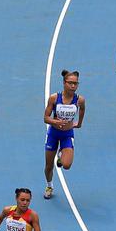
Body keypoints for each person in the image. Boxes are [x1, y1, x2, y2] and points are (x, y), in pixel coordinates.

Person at [43, 70, 85, 199]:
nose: (73, 86)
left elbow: (83, 109)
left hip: (67, 134)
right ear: (64, 83)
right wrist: (56, 121)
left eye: (75, 83)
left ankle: (61, 155)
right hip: (53, 134)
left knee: (66, 165)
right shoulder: (54, 98)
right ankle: (49, 186)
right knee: (49, 166)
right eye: (70, 83)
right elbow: (46, 118)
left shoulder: (79, 100)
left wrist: (79, 123)